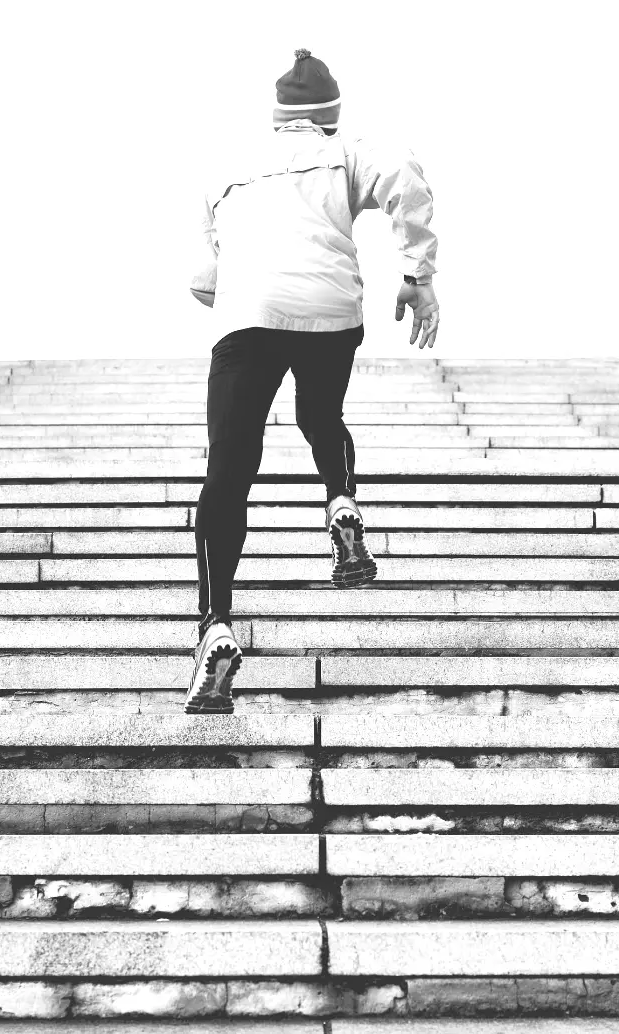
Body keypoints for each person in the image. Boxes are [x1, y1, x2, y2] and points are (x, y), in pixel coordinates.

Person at [185, 48, 439, 714]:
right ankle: (341, 502)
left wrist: (241, 283)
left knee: (229, 470)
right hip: (331, 310)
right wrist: (416, 276)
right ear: (330, 116)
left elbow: (202, 278)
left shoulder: (226, 163)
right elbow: (405, 175)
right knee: (320, 416)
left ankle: (215, 623)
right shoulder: (346, 149)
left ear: (276, 117)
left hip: (248, 316)